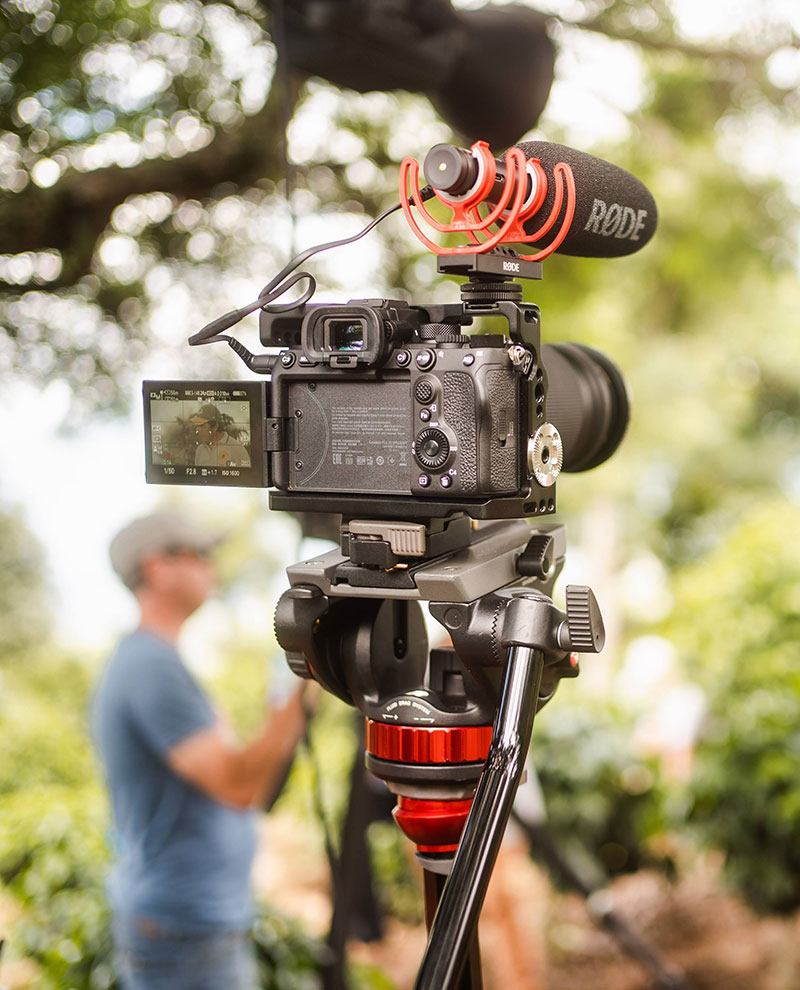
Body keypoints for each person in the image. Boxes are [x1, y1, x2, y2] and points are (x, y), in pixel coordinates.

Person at [91, 509, 312, 990]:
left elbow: (250, 790)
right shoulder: (150, 667)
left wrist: (289, 714)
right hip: (184, 934)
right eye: (200, 554)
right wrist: (298, 694)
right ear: (158, 568)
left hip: (195, 926)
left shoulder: (158, 662)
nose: (212, 566)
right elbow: (237, 785)